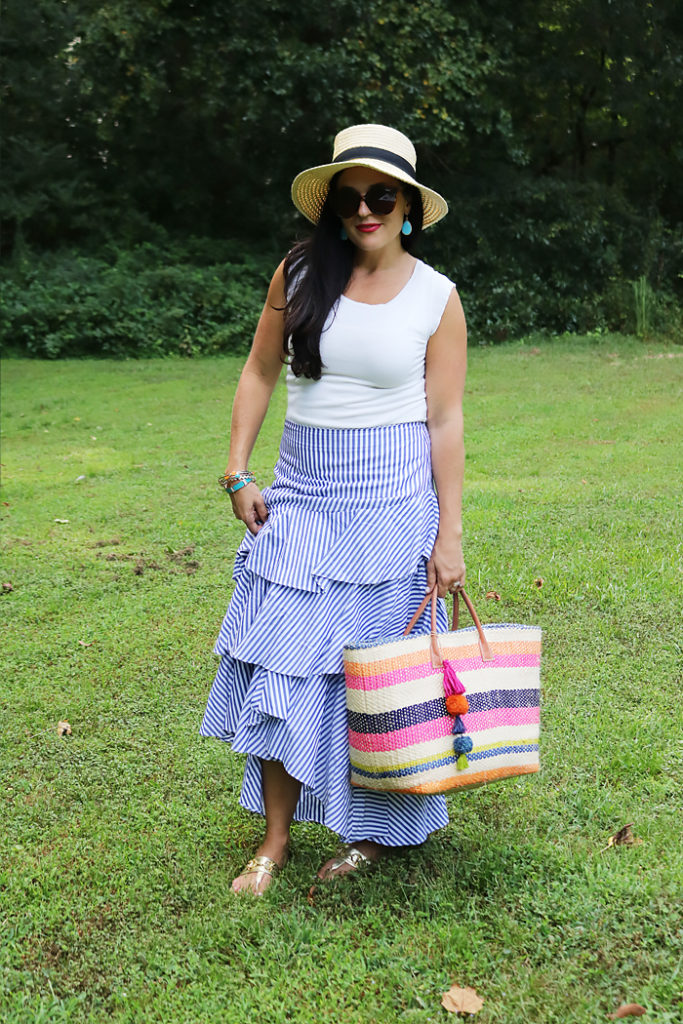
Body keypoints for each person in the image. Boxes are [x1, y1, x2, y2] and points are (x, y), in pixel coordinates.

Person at [200, 123, 467, 895]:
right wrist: (235, 472)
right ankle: (274, 840)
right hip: (301, 505)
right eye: (350, 198)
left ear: (408, 204)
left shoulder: (436, 297)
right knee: (281, 667)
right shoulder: (298, 273)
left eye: (380, 195)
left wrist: (448, 534)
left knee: (376, 683)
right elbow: (257, 373)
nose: (365, 210)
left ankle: (370, 835)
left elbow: (444, 421)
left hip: (390, 511)